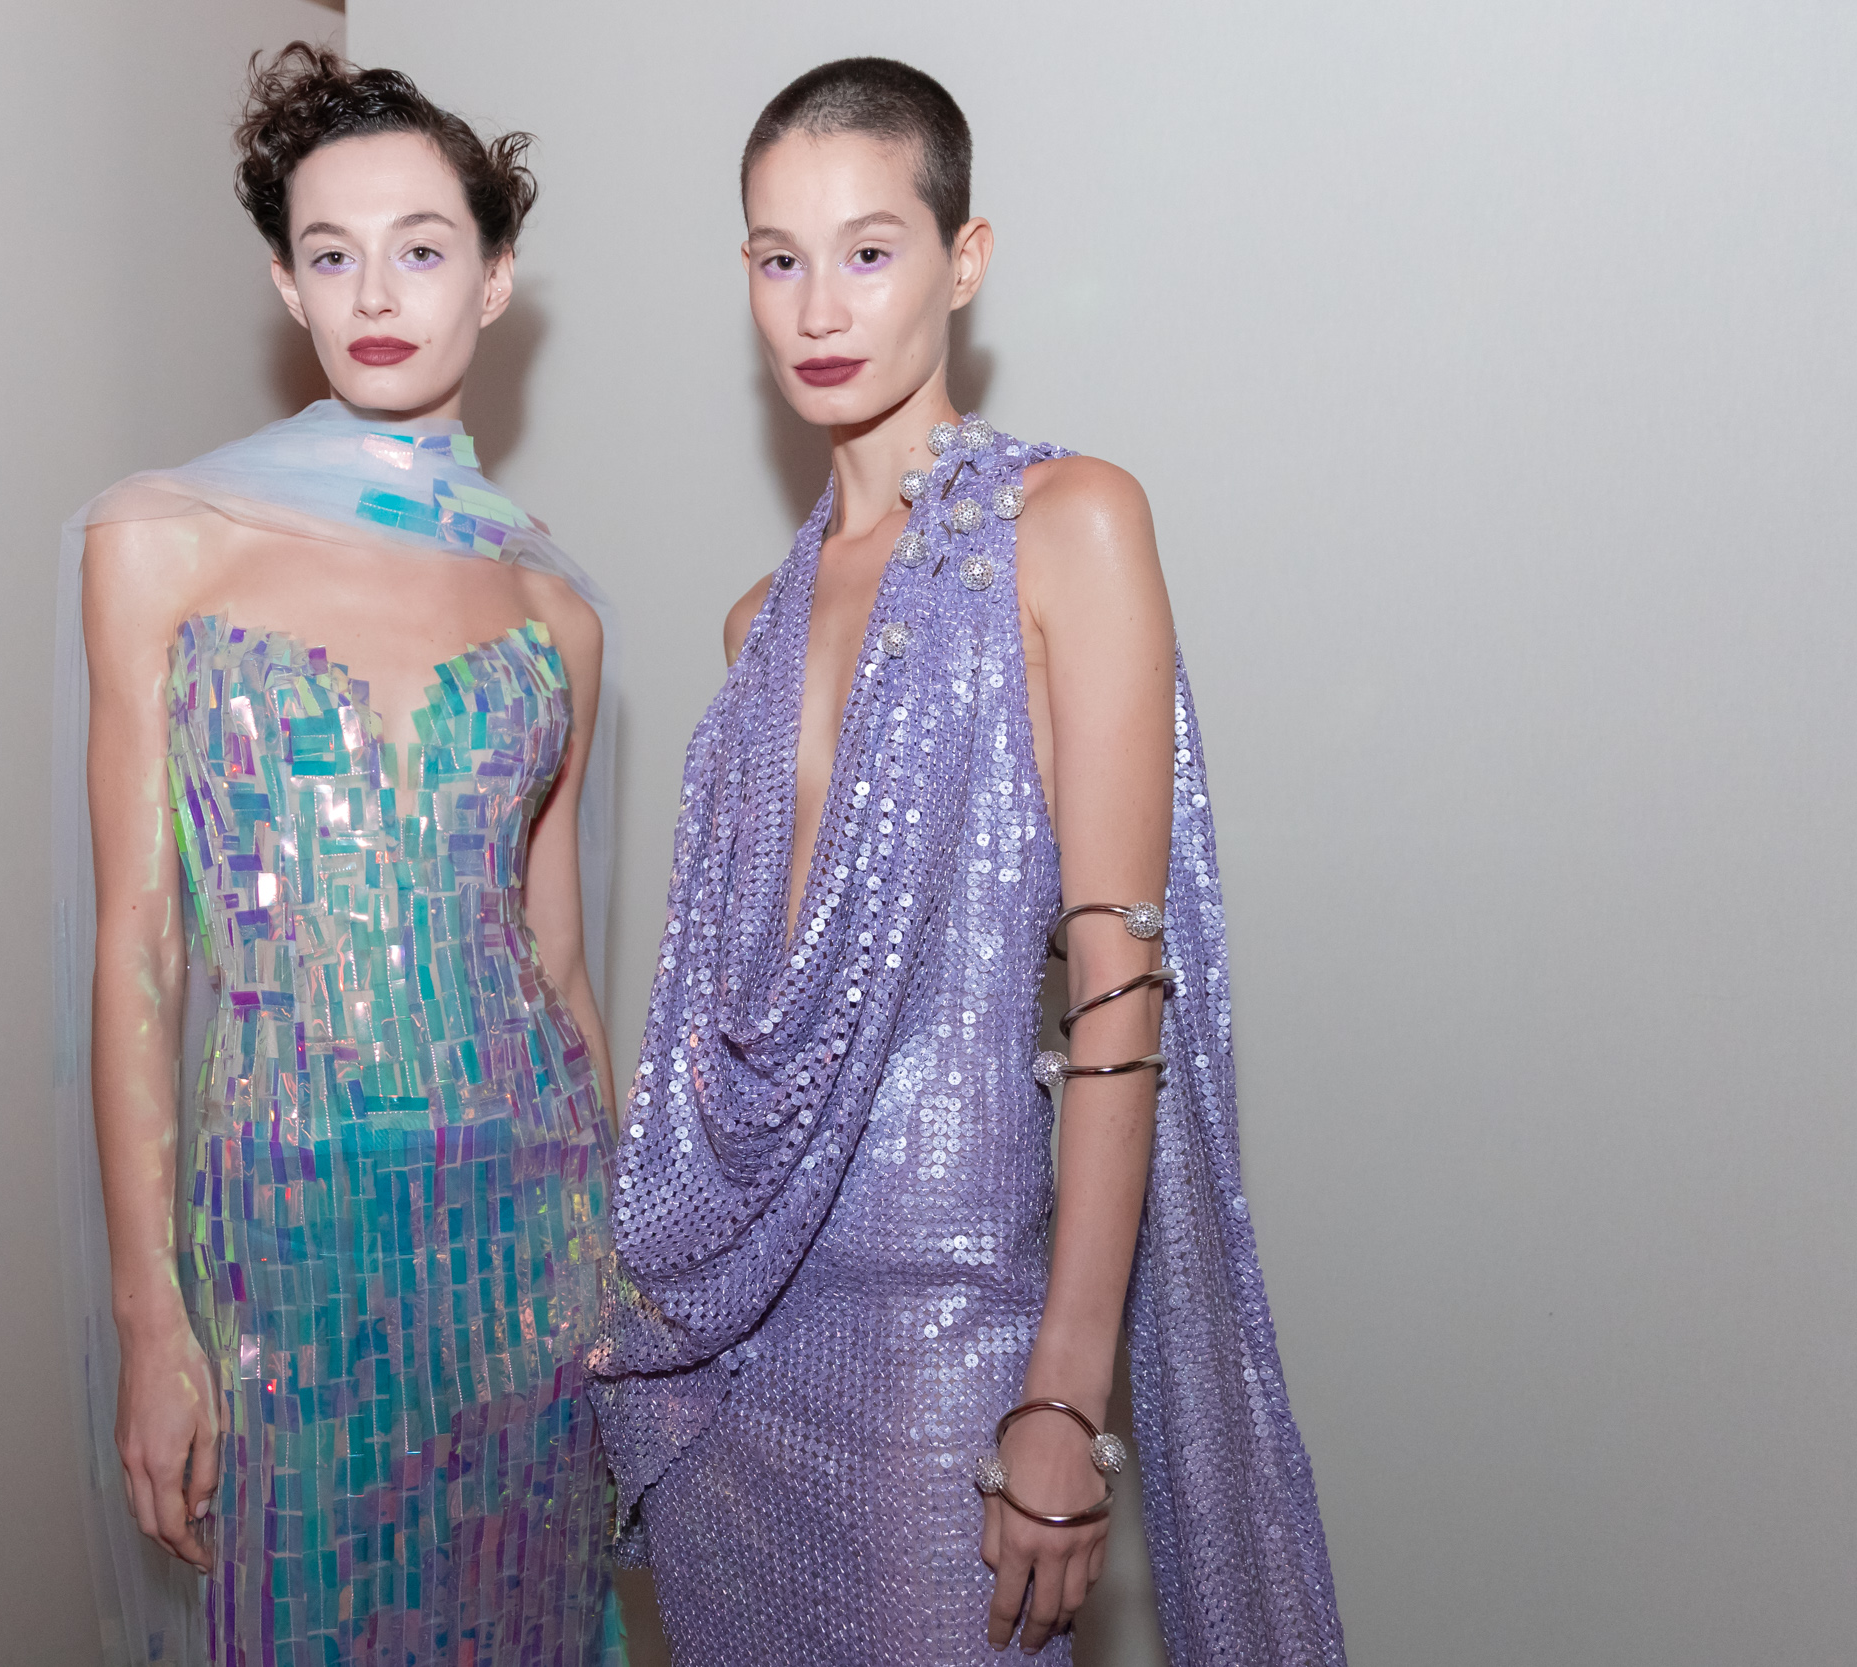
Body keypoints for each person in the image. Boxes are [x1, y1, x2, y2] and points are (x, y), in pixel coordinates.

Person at [590, 58, 1344, 1666]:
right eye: (779, 259)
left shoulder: (1068, 525)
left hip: (951, 1336)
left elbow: (1119, 978)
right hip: (726, 1360)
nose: (818, 307)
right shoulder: (752, 628)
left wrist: (1063, 1388)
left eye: (868, 251)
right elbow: (717, 1041)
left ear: (964, 260)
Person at [48, 44, 623, 1667]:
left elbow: (559, 967)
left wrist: (620, 1282)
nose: (376, 291)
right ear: (284, 283)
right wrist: (151, 1316)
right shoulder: (161, 542)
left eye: (422, 249)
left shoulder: (555, 606)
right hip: (278, 1247)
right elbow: (140, 948)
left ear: (493, 279)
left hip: (530, 1240)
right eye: (332, 251)